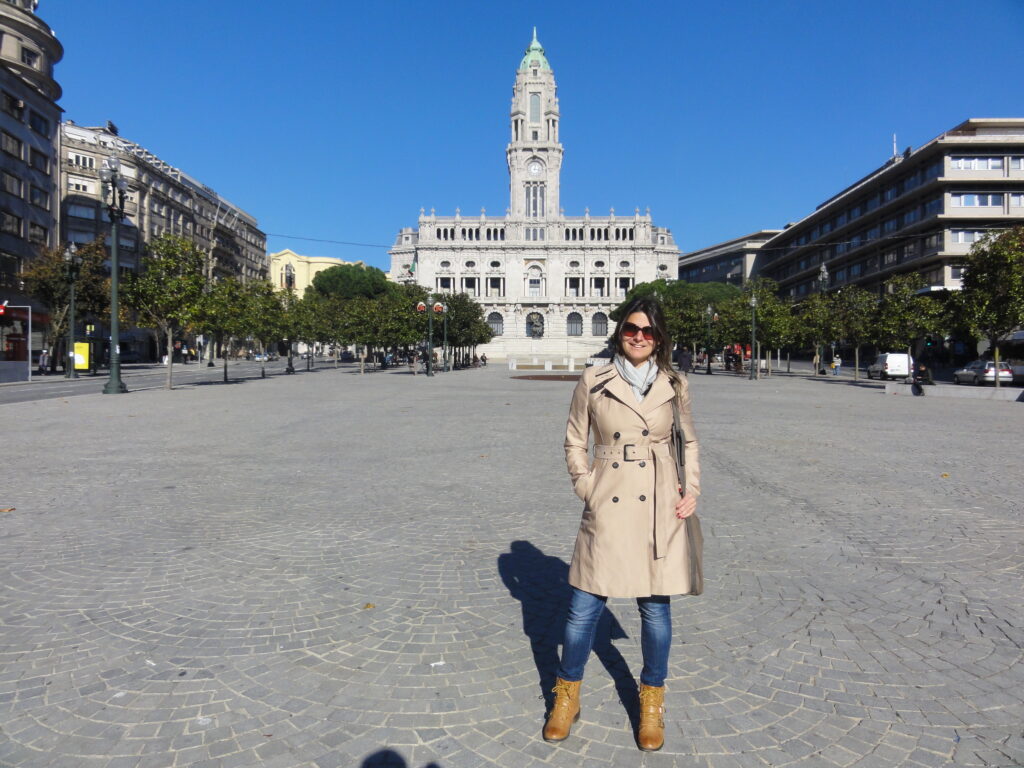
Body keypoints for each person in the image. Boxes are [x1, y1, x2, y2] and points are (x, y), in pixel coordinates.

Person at [546, 295, 700, 752]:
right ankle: (566, 696)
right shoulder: (594, 378)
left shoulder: (675, 381)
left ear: (659, 338)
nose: (638, 337)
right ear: (620, 332)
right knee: (582, 609)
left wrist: (690, 489)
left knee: (655, 609)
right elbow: (575, 438)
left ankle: (652, 700)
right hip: (609, 495)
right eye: (632, 329)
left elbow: (688, 439)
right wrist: (585, 485)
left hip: (659, 498)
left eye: (648, 331)